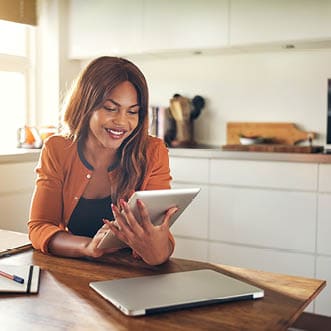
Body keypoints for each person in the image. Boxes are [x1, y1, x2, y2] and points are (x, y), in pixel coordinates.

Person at [28, 56, 178, 266]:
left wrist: (156, 248)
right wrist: (88, 247)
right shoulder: (58, 149)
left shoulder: (153, 152)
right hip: (76, 271)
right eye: (110, 108)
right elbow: (40, 226)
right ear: (85, 105)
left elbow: (161, 248)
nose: (122, 122)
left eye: (132, 111)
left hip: (132, 275)